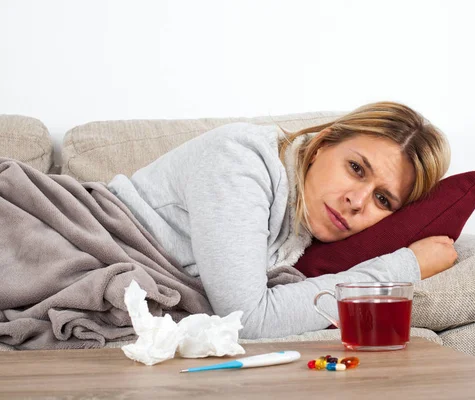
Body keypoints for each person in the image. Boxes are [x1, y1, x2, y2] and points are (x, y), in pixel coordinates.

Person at [107, 101, 457, 339]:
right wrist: (403, 269)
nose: (357, 200)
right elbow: (247, 320)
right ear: (321, 145)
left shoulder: (301, 221)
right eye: (355, 168)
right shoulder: (239, 161)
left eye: (382, 199)